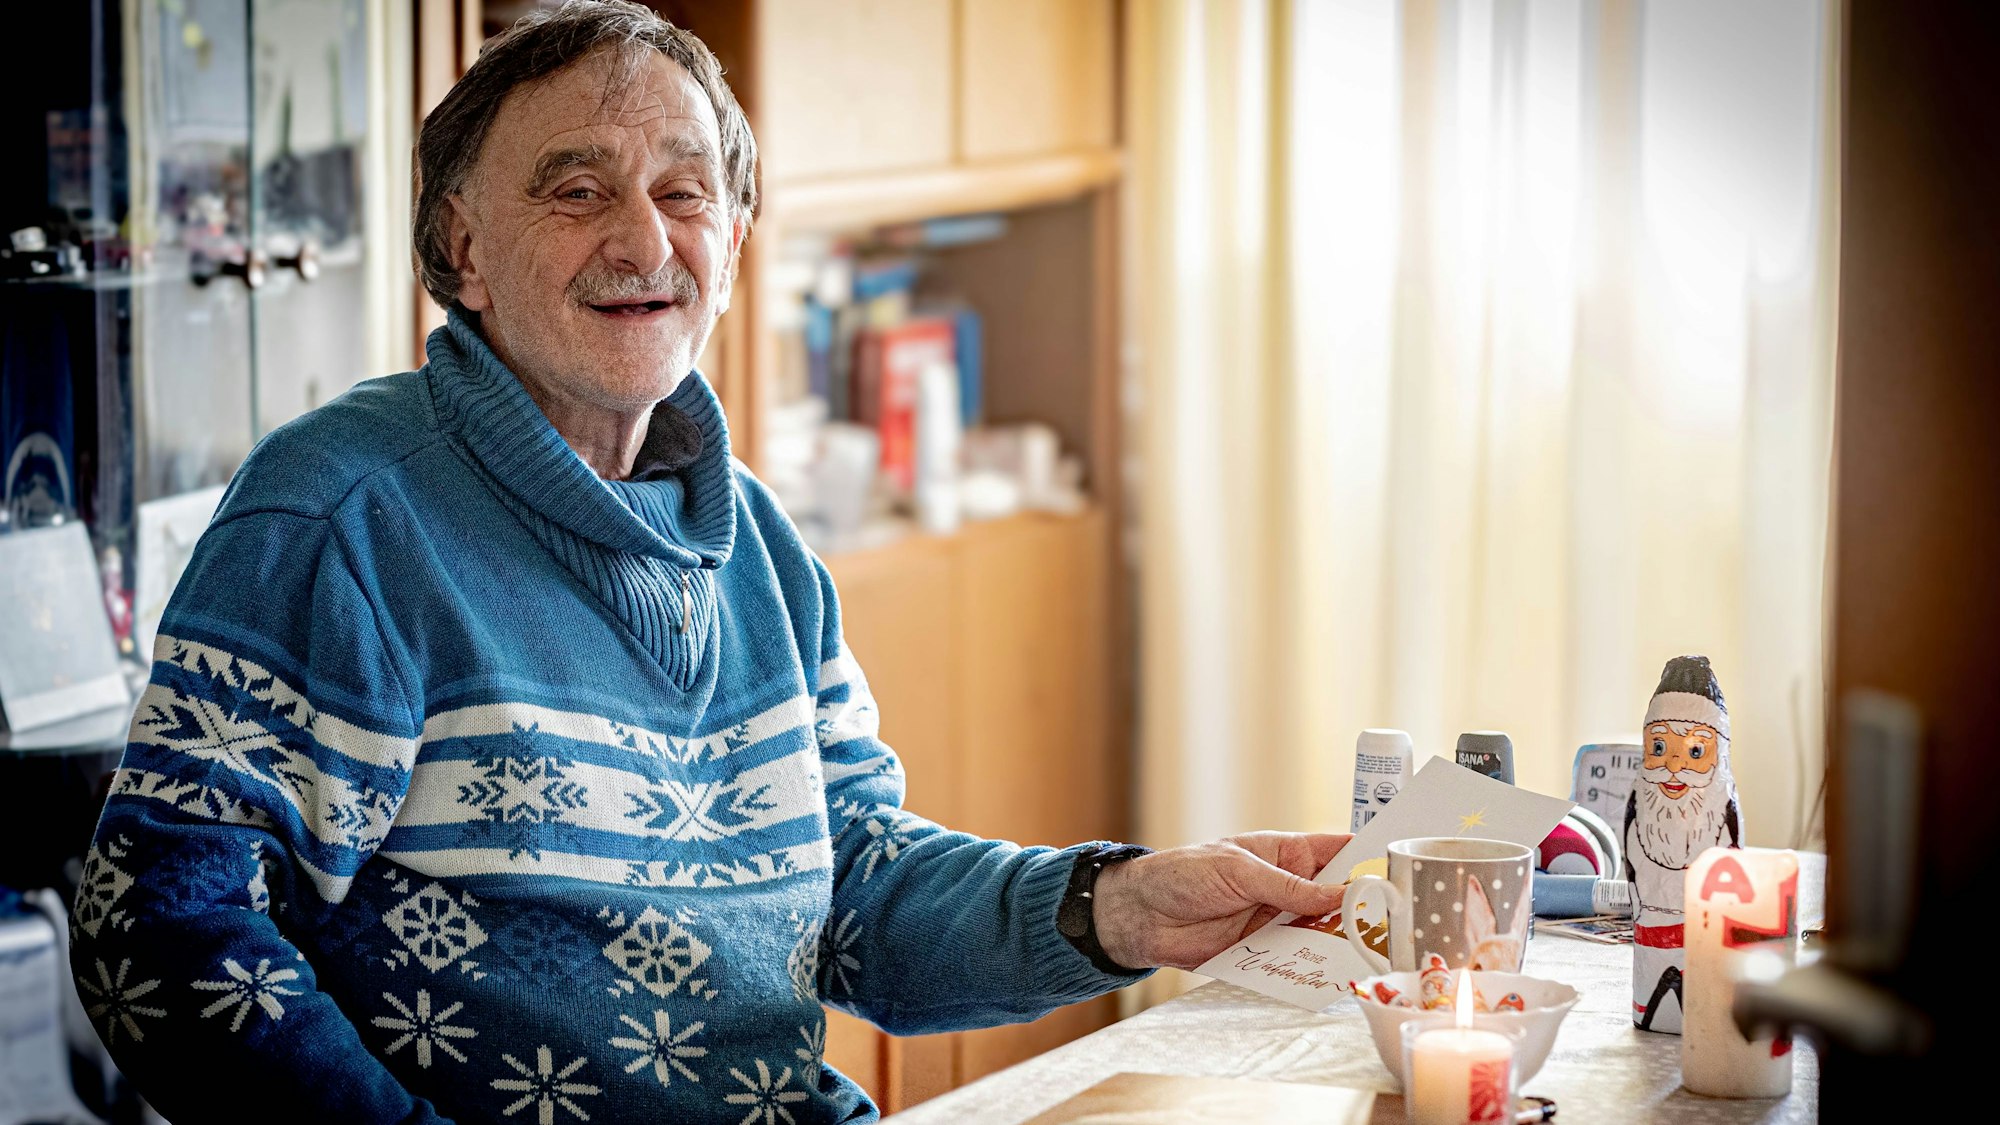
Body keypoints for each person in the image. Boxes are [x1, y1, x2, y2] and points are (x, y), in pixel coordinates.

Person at [69, 4, 1348, 1120]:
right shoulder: (343, 514)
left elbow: (853, 890)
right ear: (459, 249)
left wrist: (1119, 904)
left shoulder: (757, 543)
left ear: (733, 238)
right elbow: (163, 930)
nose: (642, 241)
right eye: (575, 190)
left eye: (684, 192)